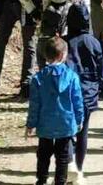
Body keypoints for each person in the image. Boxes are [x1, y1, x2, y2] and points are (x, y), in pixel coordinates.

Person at [26, 36, 84, 185]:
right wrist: (79, 119)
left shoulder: (38, 78)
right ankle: (60, 181)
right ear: (62, 55)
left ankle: (41, 180)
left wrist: (31, 124)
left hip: (45, 123)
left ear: (46, 56)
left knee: (43, 154)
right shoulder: (72, 77)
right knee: (63, 156)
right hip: (66, 122)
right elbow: (77, 102)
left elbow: (34, 104)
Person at [65, 4, 103, 185]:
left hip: (67, 92)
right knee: (83, 131)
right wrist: (100, 87)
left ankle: (70, 163)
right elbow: (100, 69)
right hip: (88, 91)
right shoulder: (93, 41)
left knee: (67, 131)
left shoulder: (64, 41)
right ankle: (79, 170)